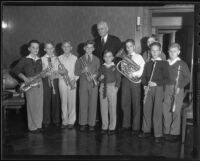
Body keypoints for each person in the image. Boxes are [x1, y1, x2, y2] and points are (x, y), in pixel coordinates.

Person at [139, 42, 170, 143]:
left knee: (157, 111)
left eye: (157, 50)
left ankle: (158, 134)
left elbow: (167, 79)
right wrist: (144, 85)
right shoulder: (148, 63)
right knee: (146, 109)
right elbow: (143, 77)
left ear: (160, 51)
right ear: (150, 52)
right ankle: (146, 130)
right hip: (148, 88)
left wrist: (156, 84)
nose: (155, 52)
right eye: (153, 50)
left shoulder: (164, 63)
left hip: (159, 88)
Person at [12, 40, 43, 133]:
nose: (35, 49)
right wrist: (25, 78)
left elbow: (40, 73)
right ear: (29, 48)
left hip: (39, 83)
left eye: (37, 47)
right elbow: (15, 70)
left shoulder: (40, 59)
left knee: (39, 105)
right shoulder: (24, 59)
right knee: (31, 105)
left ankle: (38, 125)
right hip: (29, 84)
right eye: (33, 47)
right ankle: (32, 127)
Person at [163, 43, 190, 142]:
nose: (172, 53)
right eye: (170, 51)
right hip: (166, 89)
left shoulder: (182, 64)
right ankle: (166, 131)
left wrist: (180, 86)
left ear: (178, 52)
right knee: (166, 110)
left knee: (176, 110)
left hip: (178, 88)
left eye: (175, 51)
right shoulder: (165, 63)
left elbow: (188, 78)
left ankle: (174, 132)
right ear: (168, 52)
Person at [120, 39, 145, 135]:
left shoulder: (139, 57)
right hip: (126, 80)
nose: (128, 48)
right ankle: (126, 125)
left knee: (135, 103)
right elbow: (122, 68)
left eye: (130, 46)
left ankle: (135, 127)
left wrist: (133, 73)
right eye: (127, 47)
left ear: (134, 46)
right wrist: (127, 72)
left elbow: (142, 69)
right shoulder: (124, 57)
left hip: (135, 81)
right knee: (124, 103)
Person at [75, 40, 100, 131]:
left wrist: (95, 75)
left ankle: (91, 123)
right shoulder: (80, 59)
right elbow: (76, 72)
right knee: (83, 103)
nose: (89, 49)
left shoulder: (97, 59)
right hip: (83, 83)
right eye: (87, 47)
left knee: (93, 103)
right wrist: (83, 71)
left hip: (93, 83)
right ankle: (83, 123)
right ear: (84, 48)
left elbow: (98, 71)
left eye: (91, 47)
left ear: (93, 49)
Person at [98, 50, 121, 135]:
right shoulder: (102, 67)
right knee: (103, 108)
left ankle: (112, 127)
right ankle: (104, 126)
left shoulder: (115, 67)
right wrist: (100, 78)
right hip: (103, 87)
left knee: (112, 108)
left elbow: (118, 79)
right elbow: (98, 78)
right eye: (106, 56)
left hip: (112, 87)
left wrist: (116, 89)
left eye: (109, 56)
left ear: (112, 58)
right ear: (103, 58)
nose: (108, 58)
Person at [58, 41, 79, 129]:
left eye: (68, 46)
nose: (66, 48)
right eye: (64, 47)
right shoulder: (58, 58)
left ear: (71, 48)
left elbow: (77, 71)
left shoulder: (75, 58)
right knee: (63, 102)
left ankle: (71, 121)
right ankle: (64, 121)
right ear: (62, 48)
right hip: (62, 81)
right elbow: (56, 71)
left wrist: (74, 79)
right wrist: (61, 73)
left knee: (72, 102)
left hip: (72, 81)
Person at [41, 41, 61, 128]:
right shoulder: (41, 59)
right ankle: (46, 120)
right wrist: (46, 74)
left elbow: (60, 71)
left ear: (53, 49)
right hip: (46, 80)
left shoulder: (57, 58)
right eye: (47, 48)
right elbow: (40, 73)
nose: (50, 50)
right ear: (45, 49)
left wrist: (55, 75)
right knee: (46, 100)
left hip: (55, 80)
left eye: (51, 48)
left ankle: (56, 119)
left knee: (56, 100)